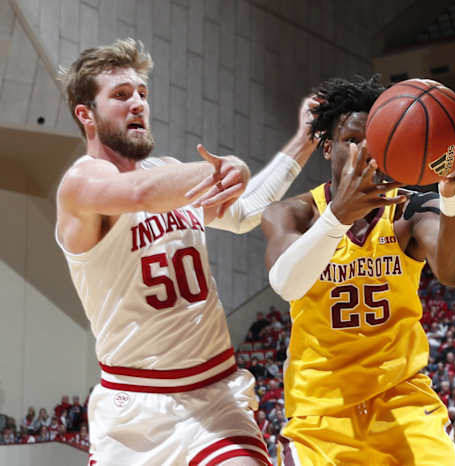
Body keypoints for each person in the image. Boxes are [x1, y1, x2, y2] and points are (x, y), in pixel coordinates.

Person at [55, 38, 316, 465]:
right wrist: (228, 166)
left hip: (213, 396)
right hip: (135, 410)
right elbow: (138, 193)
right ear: (86, 114)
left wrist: (304, 140)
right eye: (121, 95)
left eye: (142, 94)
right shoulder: (81, 186)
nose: (138, 104)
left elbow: (246, 211)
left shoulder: (171, 174)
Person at [261, 75, 455, 465]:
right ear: (328, 147)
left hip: (403, 403)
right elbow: (285, 283)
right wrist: (338, 217)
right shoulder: (295, 213)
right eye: (351, 140)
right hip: (321, 412)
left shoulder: (408, 210)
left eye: (372, 142)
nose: (363, 151)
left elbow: (454, 271)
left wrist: (451, 193)